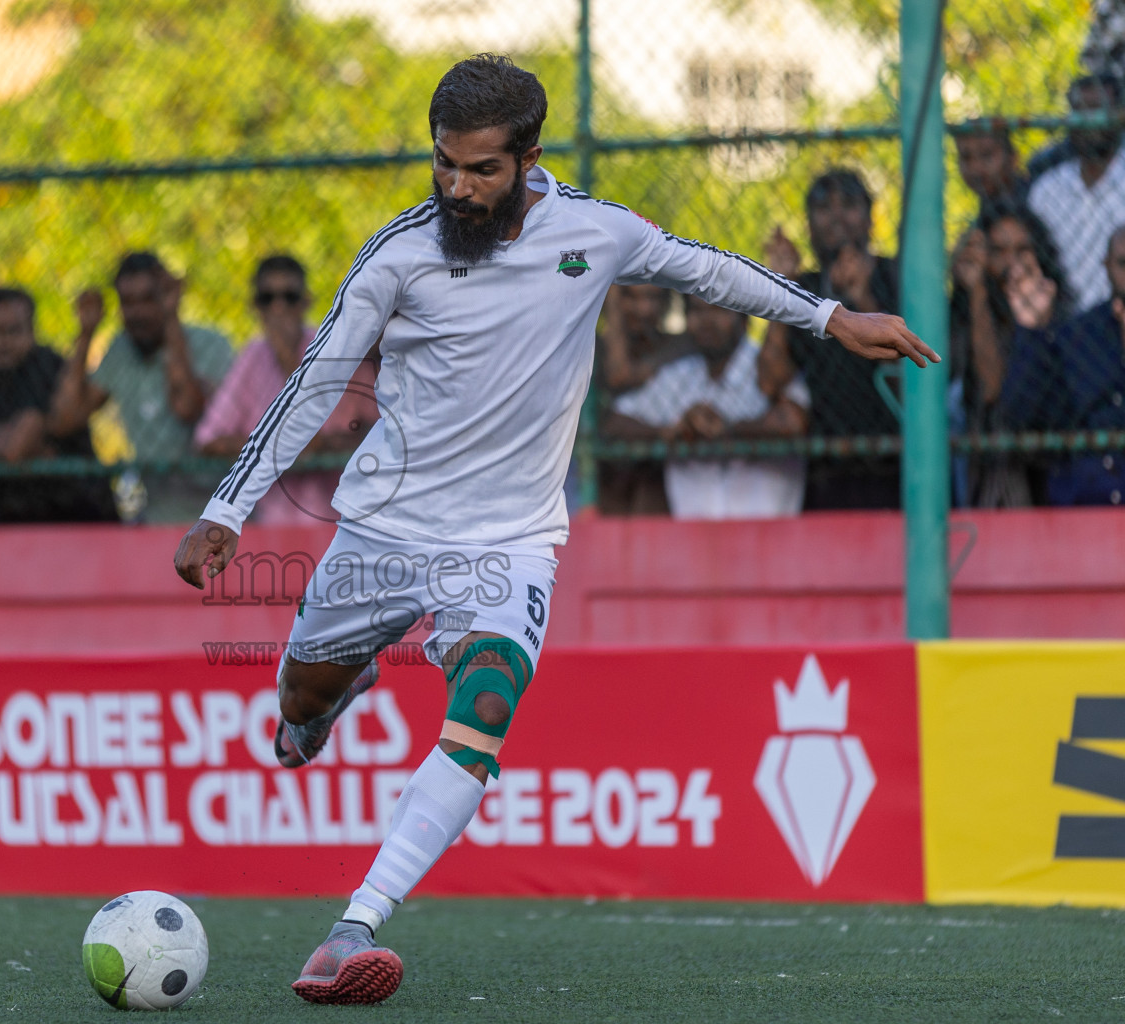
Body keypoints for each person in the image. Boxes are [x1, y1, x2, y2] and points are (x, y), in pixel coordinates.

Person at [171, 55, 935, 1005]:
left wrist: (830, 315)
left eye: (481, 169)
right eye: (444, 165)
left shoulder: (595, 232)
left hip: (509, 542)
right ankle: (326, 700)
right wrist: (225, 512)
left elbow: (710, 271)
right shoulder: (398, 253)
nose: (458, 186)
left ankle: (351, 928)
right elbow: (316, 380)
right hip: (382, 532)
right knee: (297, 700)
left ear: (529, 157)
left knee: (486, 707)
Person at [195, 255, 379, 524]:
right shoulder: (253, 355)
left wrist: (287, 363)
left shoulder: (335, 349)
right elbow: (209, 440)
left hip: (339, 517)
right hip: (268, 520)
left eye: (289, 297)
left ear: (306, 302)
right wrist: (284, 445)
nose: (278, 309)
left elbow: (361, 431)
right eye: (268, 299)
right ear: (255, 306)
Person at [759, 168, 903, 509]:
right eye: (824, 208)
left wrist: (863, 299)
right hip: (825, 467)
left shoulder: (897, 274)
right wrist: (781, 287)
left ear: (870, 217)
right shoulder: (804, 287)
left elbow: (911, 364)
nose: (836, 217)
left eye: (849, 204)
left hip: (898, 461)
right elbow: (769, 379)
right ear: (808, 223)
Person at [606, 295, 806, 519]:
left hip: (769, 533)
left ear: (744, 319)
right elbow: (616, 422)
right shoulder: (680, 375)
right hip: (694, 539)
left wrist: (729, 429)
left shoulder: (768, 368)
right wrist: (669, 431)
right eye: (697, 311)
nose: (706, 321)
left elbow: (793, 422)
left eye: (718, 311)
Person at [0, 287, 118, 524]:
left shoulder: (46, 365)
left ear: (31, 331)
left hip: (79, 510)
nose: (4, 342)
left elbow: (16, 445)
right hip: (16, 513)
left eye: (13, 331)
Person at [89, 252, 234, 523]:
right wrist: (86, 333)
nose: (139, 313)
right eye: (128, 303)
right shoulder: (120, 349)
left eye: (149, 299)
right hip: (158, 513)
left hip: (221, 509)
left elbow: (186, 407)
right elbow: (67, 417)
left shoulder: (213, 344)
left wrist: (170, 318)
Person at [949, 201, 1073, 506]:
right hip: (993, 458)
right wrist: (976, 291)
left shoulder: (1060, 310)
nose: (1012, 264)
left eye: (1022, 250)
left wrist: (1037, 326)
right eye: (999, 251)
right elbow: (990, 389)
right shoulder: (969, 312)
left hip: (1053, 459)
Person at [1001, 225, 1125, 505]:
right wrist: (1031, 330)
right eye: (1123, 263)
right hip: (1086, 498)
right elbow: (1022, 416)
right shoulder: (1079, 335)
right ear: (1106, 267)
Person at [1028, 74, 1125, 312]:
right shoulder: (1048, 189)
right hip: (1062, 322)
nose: (1087, 122)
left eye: (1096, 109)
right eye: (1078, 110)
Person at [593, 282, 691, 514]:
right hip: (604, 474)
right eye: (630, 297)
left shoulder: (679, 346)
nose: (642, 309)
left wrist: (613, 299)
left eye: (651, 298)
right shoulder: (591, 347)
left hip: (662, 470)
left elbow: (621, 375)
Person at [955, 126, 1030, 216]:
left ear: (1013, 159)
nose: (975, 167)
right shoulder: (989, 202)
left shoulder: (1033, 198)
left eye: (986, 155)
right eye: (966, 157)